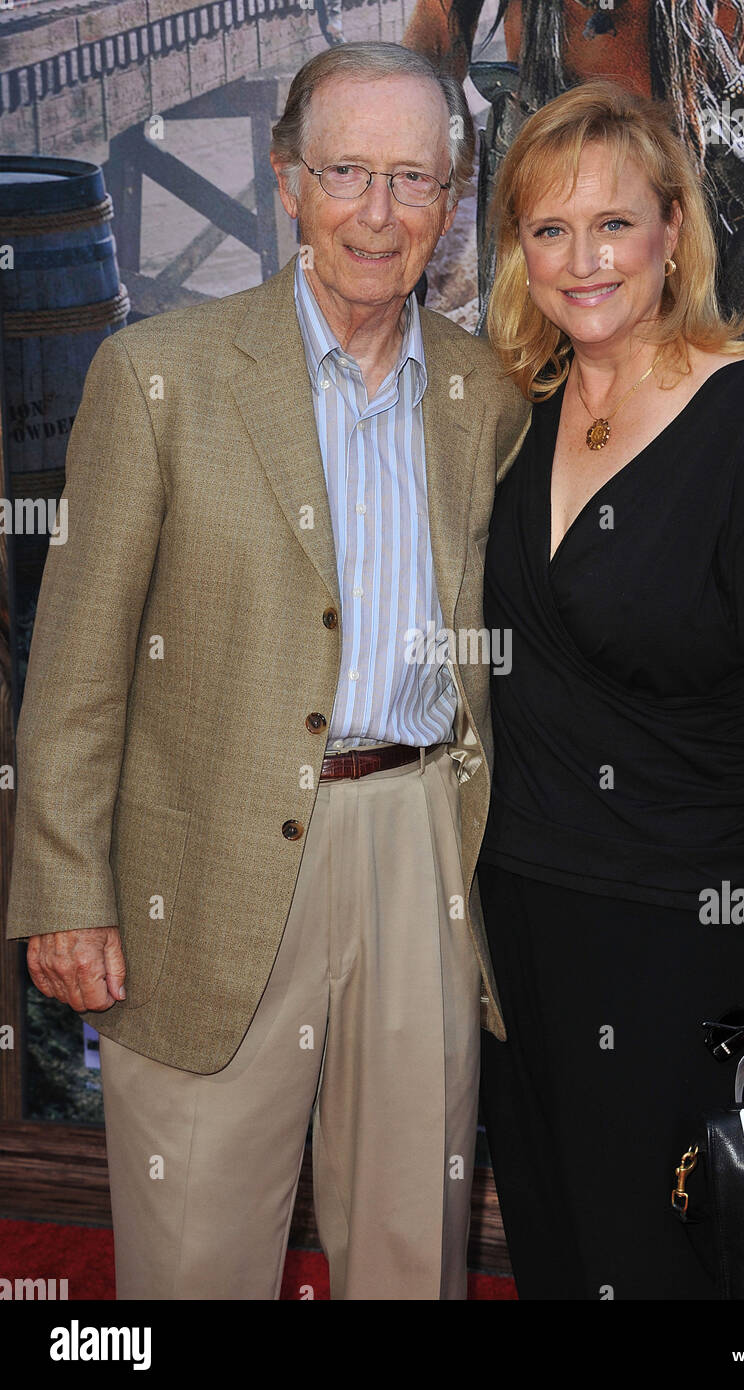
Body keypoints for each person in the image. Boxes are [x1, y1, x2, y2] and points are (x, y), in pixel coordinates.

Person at [4, 41, 530, 1300]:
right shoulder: (155, 378)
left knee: (412, 1256)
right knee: (195, 1262)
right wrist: (64, 893)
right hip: (205, 864)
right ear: (288, 182)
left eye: (412, 179)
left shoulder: (487, 395)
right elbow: (72, 671)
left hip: (415, 850)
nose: (378, 212)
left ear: (450, 204)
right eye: (347, 171)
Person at [474, 79, 744, 1300]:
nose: (581, 259)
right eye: (549, 229)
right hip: (519, 913)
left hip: (677, 929)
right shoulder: (523, 415)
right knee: (555, 1238)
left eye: (612, 224)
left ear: (671, 234)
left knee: (666, 1257)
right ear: (518, 253)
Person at [403, 0, 744, 453]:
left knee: (739, 454)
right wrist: (408, 222)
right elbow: (437, 42)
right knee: (533, 451)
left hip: (716, 200)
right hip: (552, 200)